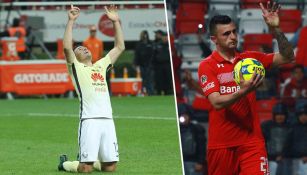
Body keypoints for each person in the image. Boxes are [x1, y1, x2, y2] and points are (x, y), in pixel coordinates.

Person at [197, 1, 294, 174]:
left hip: (252, 143)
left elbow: (288, 57)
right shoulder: (207, 66)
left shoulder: (250, 60)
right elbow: (217, 102)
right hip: (221, 145)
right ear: (214, 39)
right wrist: (244, 91)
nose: (233, 37)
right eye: (226, 34)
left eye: (234, 31)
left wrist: (276, 29)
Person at [58, 4, 124, 173]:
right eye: (79, 49)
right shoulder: (76, 69)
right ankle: (65, 164)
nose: (84, 48)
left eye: (84, 47)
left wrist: (116, 21)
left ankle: (92, 160)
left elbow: (120, 47)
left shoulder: (100, 66)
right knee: (84, 168)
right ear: (76, 57)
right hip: (90, 120)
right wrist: (70, 21)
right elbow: (66, 48)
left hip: (108, 120)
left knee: (110, 168)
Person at [261, 103, 291, 175]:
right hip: (269, 159)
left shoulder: (290, 127)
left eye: (282, 114)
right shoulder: (266, 126)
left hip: (286, 160)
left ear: (286, 115)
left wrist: (283, 155)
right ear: (274, 115)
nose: (280, 117)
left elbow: (291, 144)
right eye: (278, 114)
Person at [178, 103, 207, 175]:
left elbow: (201, 147)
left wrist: (200, 162)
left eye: (185, 115)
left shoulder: (196, 129)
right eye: (181, 116)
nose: (183, 118)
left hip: (193, 162)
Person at [286, 104, 307, 175]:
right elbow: (289, 144)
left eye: (305, 115)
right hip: (295, 159)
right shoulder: (293, 127)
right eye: (301, 115)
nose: (303, 117)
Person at [152, 30, 173, 95]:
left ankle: (168, 91)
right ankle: (159, 92)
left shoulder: (170, 45)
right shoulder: (157, 45)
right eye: (164, 37)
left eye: (166, 37)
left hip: (167, 64)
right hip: (159, 65)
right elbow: (153, 55)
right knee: (159, 79)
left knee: (168, 79)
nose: (165, 38)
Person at [134, 30, 154, 95]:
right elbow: (137, 55)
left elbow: (152, 54)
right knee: (142, 79)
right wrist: (136, 64)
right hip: (141, 64)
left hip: (149, 64)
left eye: (146, 35)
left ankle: (150, 92)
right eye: (144, 35)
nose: (145, 36)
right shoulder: (139, 44)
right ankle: (142, 91)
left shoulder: (150, 43)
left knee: (149, 79)